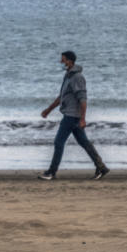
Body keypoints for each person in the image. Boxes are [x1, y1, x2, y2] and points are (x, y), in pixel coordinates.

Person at [39, 51, 109, 181]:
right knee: (84, 142)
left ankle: (51, 172)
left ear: (70, 61)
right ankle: (102, 167)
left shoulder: (77, 77)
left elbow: (83, 99)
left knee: (58, 142)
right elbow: (62, 97)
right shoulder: (68, 76)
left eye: (63, 60)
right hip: (71, 115)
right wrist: (48, 110)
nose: (61, 62)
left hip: (72, 117)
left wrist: (83, 118)